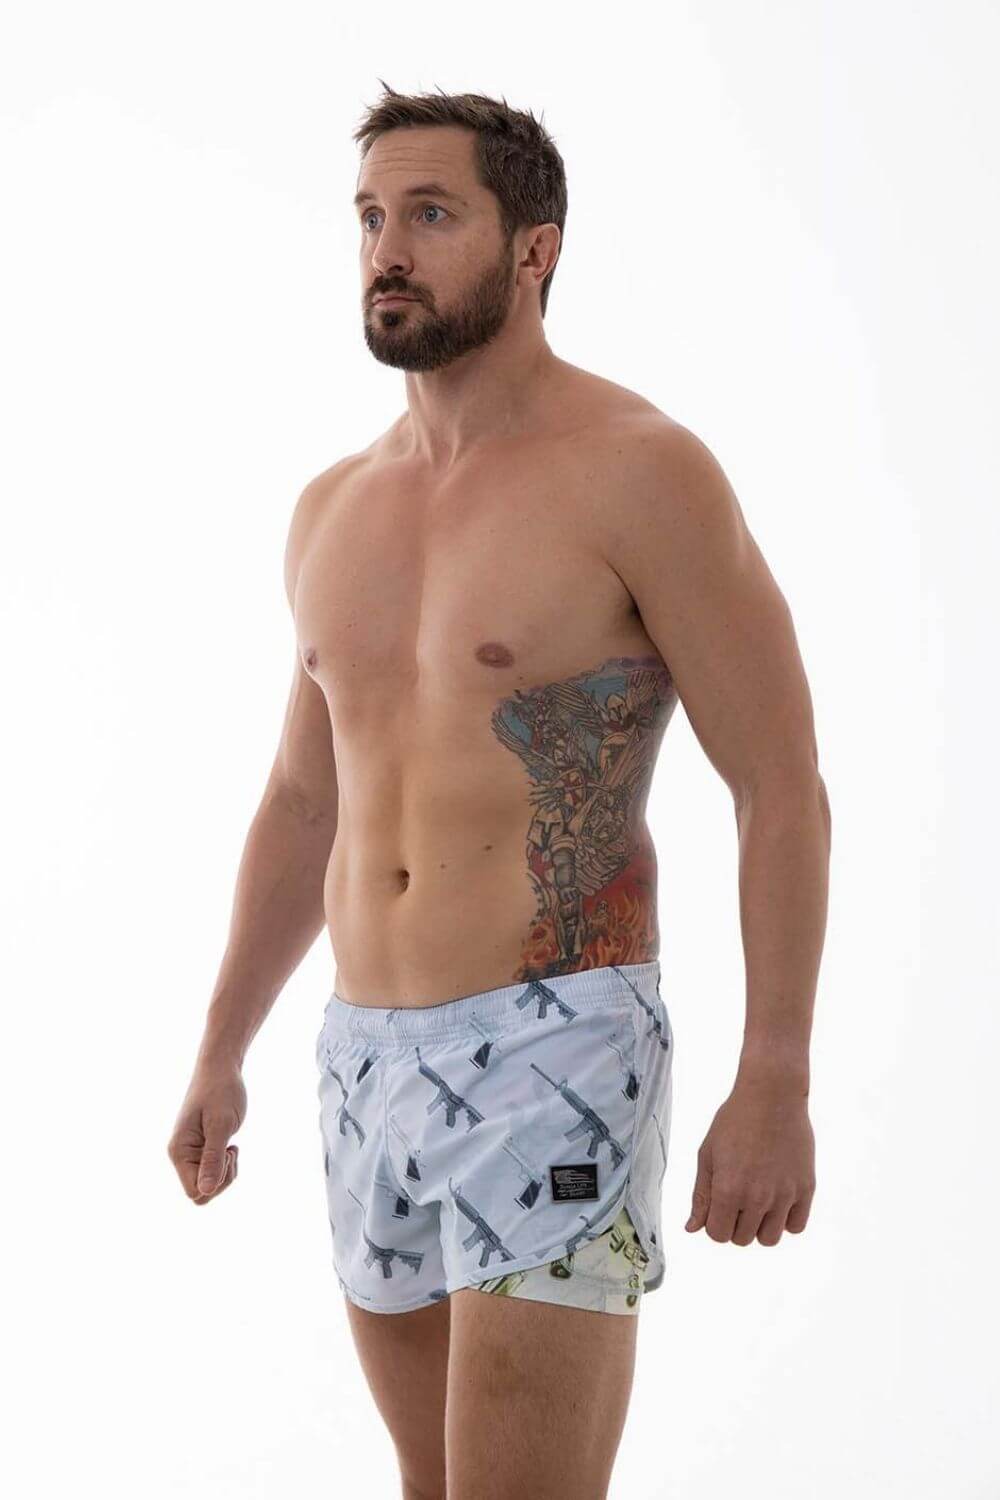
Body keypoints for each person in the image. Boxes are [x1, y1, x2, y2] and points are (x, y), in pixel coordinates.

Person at [167, 85, 830, 1500]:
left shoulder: (641, 472)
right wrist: (223, 1045)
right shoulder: (333, 507)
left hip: (559, 1046)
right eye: (369, 217)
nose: (386, 250)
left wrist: (775, 1070)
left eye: (430, 214)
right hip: (364, 1057)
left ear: (536, 249)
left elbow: (779, 786)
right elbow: (303, 802)